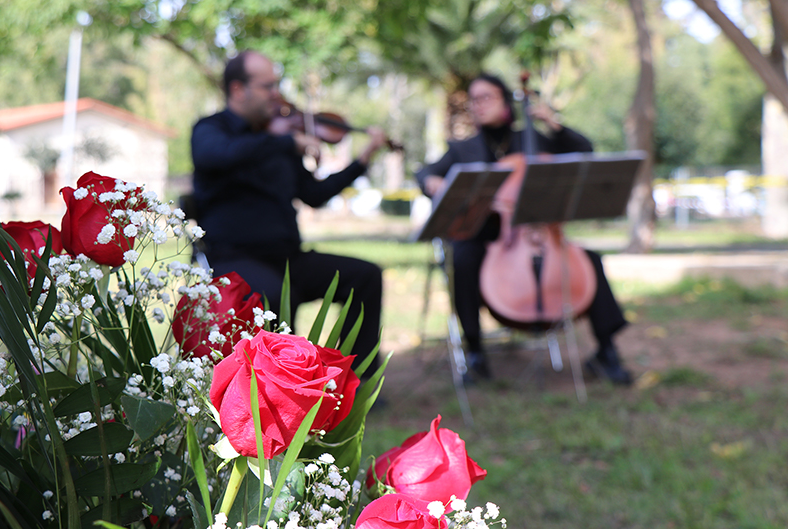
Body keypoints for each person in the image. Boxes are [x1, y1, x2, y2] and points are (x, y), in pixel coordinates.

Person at [415, 73, 632, 385]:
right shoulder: (463, 149)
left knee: (590, 260)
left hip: (539, 232)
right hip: (487, 236)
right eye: (473, 100)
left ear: (505, 101)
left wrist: (552, 123)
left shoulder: (533, 139)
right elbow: (425, 173)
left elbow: (584, 151)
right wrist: (431, 181)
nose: (478, 105)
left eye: (486, 97)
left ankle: (606, 351)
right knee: (462, 259)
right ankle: (474, 350)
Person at [190, 50, 389, 378]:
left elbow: (313, 195)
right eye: (267, 86)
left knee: (365, 277)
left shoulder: (280, 138)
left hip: (287, 259)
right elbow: (216, 155)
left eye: (276, 85)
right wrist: (285, 142)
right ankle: (285, 389)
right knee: (275, 295)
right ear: (238, 89)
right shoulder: (212, 129)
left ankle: (357, 383)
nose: (276, 94)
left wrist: (362, 160)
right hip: (234, 260)